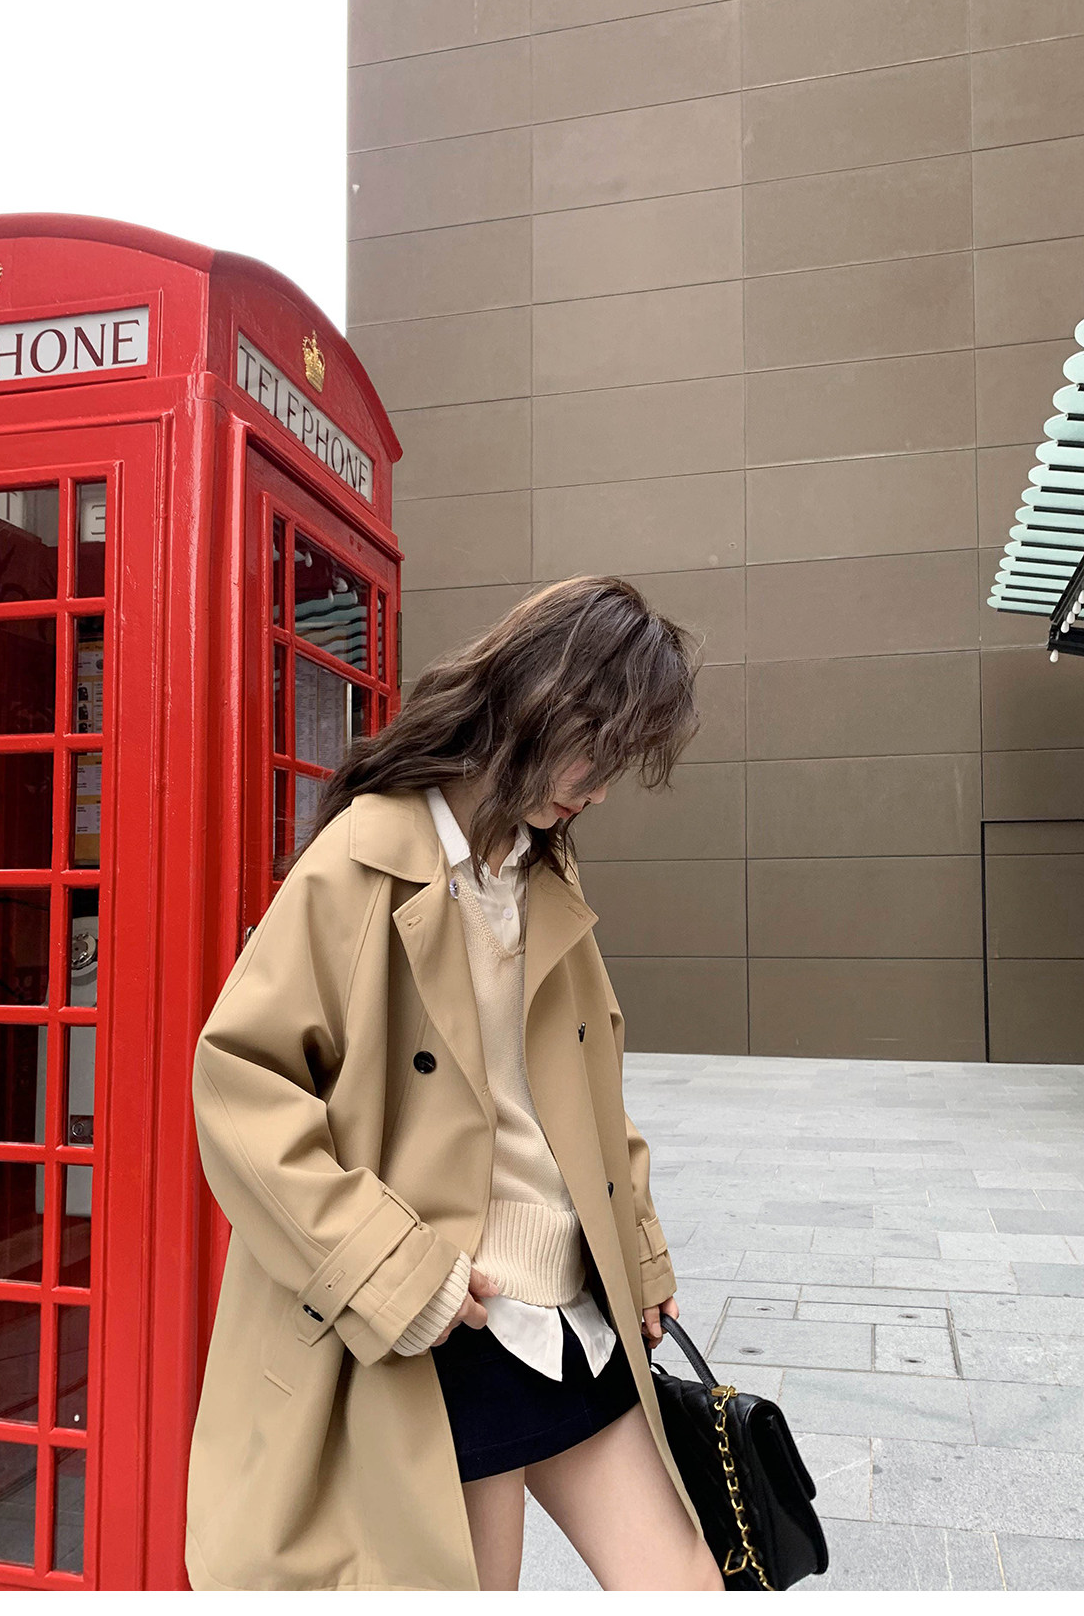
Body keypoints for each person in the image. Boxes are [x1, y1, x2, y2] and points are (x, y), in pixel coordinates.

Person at [186, 575, 723, 1592]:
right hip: (449, 1321)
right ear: (537, 699)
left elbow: (590, 1088)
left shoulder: (540, 870)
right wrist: (394, 1273)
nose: (602, 789)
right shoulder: (363, 860)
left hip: (573, 1310)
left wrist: (641, 1254)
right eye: (598, 751)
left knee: (687, 1585)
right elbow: (241, 1083)